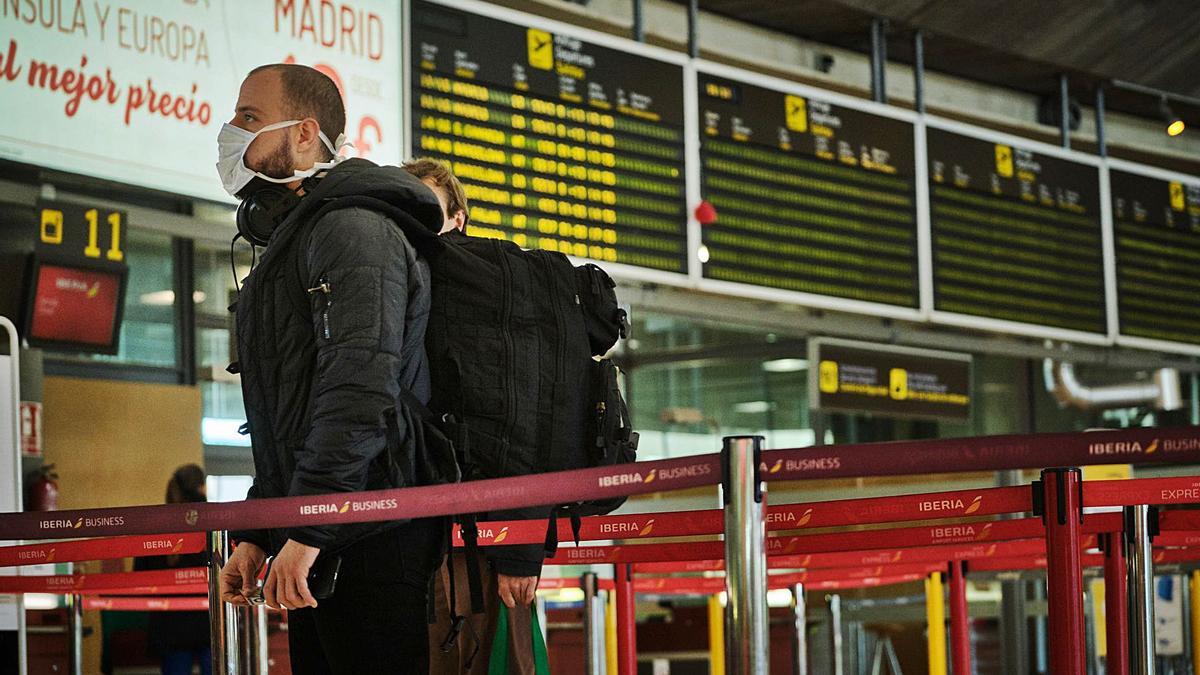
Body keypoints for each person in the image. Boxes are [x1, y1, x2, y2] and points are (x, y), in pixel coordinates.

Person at [214, 64, 447, 674]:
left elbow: (359, 386)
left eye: (250, 117)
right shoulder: (301, 235)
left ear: (303, 133)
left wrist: (312, 527)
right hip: (326, 530)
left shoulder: (354, 228)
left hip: (369, 532)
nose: (231, 131)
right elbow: (290, 409)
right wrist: (260, 529)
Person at [402, 158, 542, 675]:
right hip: (423, 535)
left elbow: (522, 415)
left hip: (486, 539)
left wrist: (521, 550)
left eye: (425, 209)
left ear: (457, 218)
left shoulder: (488, 292)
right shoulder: (402, 287)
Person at [134, 465, 211, 675]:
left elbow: (139, 576)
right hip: (209, 621)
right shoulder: (211, 519)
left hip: (169, 624)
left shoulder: (155, 524)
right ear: (201, 487)